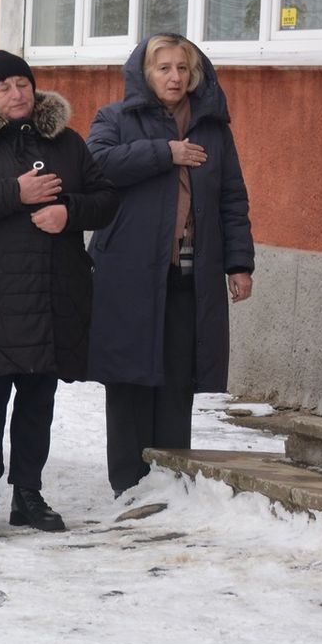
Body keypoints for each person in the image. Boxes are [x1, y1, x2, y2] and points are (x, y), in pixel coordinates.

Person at [0, 51, 117, 538]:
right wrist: (15, 192)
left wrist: (68, 213)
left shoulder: (68, 143)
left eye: (22, 84)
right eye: (4, 88)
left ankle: (28, 494)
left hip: (55, 291)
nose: (16, 94)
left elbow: (106, 201)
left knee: (39, 399)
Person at [88, 35, 255, 497]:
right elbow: (97, 165)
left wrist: (239, 263)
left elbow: (231, 197)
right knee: (129, 378)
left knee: (178, 379)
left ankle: (169, 480)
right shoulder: (115, 118)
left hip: (189, 276)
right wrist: (166, 153)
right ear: (145, 73)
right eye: (164, 68)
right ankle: (128, 483)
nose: (175, 77)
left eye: (183, 68)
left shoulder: (213, 129)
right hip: (129, 274)